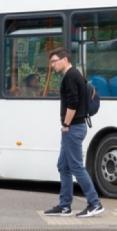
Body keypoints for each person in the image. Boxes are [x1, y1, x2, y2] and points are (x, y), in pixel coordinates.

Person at [43, 48, 103, 218]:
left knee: (76, 166)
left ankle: (94, 203)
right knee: (64, 165)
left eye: (54, 61)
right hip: (76, 127)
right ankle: (64, 206)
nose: (52, 65)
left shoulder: (70, 77)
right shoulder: (76, 75)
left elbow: (73, 103)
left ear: (64, 59)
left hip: (73, 127)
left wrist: (66, 124)